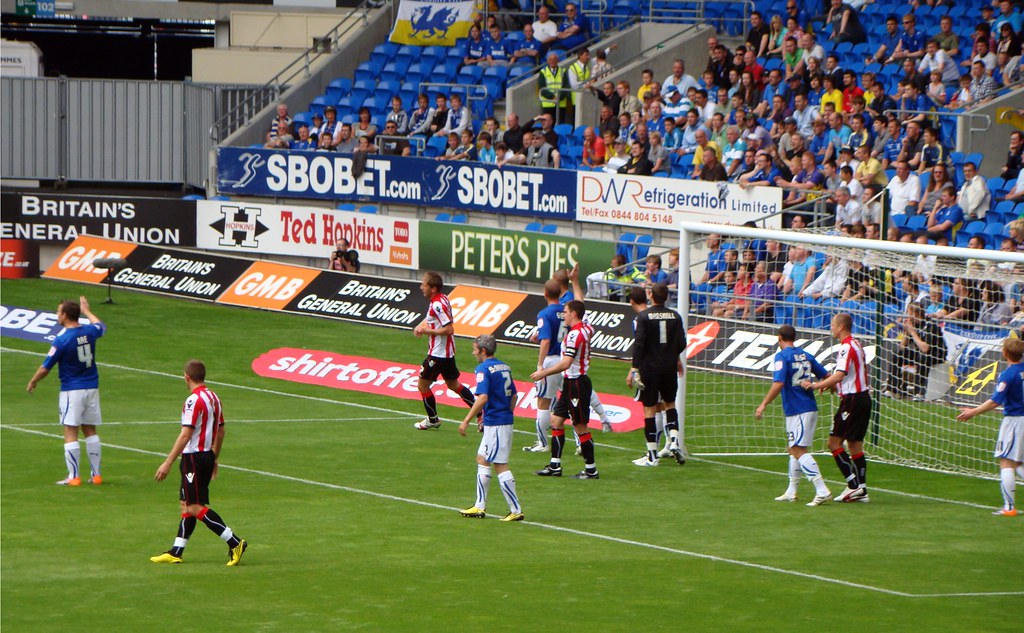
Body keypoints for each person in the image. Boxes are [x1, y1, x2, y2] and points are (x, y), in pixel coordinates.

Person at [150, 360, 247, 565]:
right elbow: (220, 431)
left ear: (187, 377)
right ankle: (177, 551)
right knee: (186, 504)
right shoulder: (214, 397)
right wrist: (215, 458)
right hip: (206, 456)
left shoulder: (193, 401)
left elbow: (186, 434)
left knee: (194, 506)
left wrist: (167, 462)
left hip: (193, 458)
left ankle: (234, 541)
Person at [27, 296, 105, 486]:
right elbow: (101, 326)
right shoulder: (89, 331)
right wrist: (87, 311)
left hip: (72, 389)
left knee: (70, 430)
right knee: (90, 429)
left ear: (65, 315)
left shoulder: (62, 340)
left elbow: (46, 366)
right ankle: (96, 475)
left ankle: (74, 476)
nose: (57, 314)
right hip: (92, 387)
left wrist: (33, 380)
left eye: (58, 311)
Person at [755, 325, 833, 506]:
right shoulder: (806, 354)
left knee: (798, 450)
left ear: (779, 338)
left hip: (799, 409)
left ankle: (822, 490)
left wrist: (763, 404)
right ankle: (792, 490)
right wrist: (827, 386)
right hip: (803, 407)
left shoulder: (782, 357)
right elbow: (826, 375)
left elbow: (778, 383)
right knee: (793, 449)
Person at [800, 313, 872, 503]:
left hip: (853, 400)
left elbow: (840, 374)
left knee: (833, 443)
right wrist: (832, 386)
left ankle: (853, 485)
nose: (831, 328)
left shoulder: (846, 347)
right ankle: (862, 489)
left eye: (832, 325)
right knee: (855, 444)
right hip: (863, 397)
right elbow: (850, 376)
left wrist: (815, 385)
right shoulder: (857, 344)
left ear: (840, 327)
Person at [457, 335, 524, 522]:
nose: (473, 352)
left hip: (497, 423)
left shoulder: (483, 369)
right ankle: (479, 506)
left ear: (483, 351)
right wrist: (506, 413)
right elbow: (514, 396)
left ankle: (516, 509)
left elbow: (483, 397)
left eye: (475, 349)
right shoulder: (505, 366)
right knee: (482, 458)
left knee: (500, 464)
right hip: (500, 419)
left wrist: (466, 420)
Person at [531, 300, 599, 479]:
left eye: (566, 311)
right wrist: (575, 282)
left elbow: (566, 363)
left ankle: (591, 469)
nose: (564, 314)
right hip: (571, 383)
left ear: (574, 314)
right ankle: (555, 465)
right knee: (556, 420)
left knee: (580, 426)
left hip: (577, 383)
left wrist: (543, 372)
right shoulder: (586, 328)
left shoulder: (574, 335)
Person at [957, 337, 1024, 517]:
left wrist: (973, 412)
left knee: (1005, 460)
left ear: (1004, 353)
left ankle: (1009, 507)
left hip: (1015, 421)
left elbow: (995, 401)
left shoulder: (1008, 374)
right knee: (1018, 462)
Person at [628, 284, 686, 467]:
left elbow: (639, 344)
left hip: (650, 369)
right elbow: (682, 342)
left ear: (651, 296)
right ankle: (674, 441)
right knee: (669, 404)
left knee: (649, 409)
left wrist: (635, 368)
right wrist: (671, 356)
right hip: (668, 367)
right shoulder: (676, 316)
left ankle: (652, 455)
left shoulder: (644, 317)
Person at [412, 272, 477, 430]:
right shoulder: (441, 299)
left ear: (433, 288)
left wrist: (429, 331)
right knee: (453, 385)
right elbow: (433, 319)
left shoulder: (437, 304)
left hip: (438, 354)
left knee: (422, 385)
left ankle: (433, 419)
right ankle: (481, 414)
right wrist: (422, 327)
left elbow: (449, 329)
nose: (421, 287)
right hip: (447, 353)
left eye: (424, 285)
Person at [524, 280, 566, 454]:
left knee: (543, 401)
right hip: (566, 360)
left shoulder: (545, 313)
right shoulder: (566, 311)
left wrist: (540, 365)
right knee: (567, 400)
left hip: (551, 361)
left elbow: (547, 340)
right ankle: (580, 442)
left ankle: (542, 443)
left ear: (545, 294)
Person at [888, 301, 946, 400]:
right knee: (898, 354)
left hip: (935, 355)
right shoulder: (914, 325)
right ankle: (892, 389)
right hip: (920, 353)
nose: (907, 316)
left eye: (909, 313)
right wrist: (907, 332)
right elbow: (902, 346)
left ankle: (920, 392)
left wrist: (912, 332)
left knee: (922, 357)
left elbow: (925, 348)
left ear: (916, 314)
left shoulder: (930, 325)